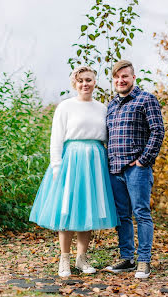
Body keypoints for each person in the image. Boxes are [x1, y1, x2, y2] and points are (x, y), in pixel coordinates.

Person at [29, 65, 119, 278]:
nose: (85, 84)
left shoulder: (102, 108)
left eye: (88, 80)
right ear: (75, 84)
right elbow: (56, 138)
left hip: (95, 160)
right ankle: (64, 259)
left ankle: (82, 258)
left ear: (94, 82)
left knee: (88, 208)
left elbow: (107, 137)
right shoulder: (65, 107)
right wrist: (56, 165)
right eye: (80, 81)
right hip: (71, 160)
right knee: (67, 210)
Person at [105, 60, 165, 279]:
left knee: (141, 214)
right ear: (113, 80)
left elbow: (157, 131)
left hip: (137, 170)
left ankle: (144, 261)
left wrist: (143, 160)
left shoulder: (146, 99)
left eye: (125, 77)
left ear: (133, 78)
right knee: (122, 216)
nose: (121, 81)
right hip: (115, 170)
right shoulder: (111, 105)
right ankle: (127, 258)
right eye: (117, 77)